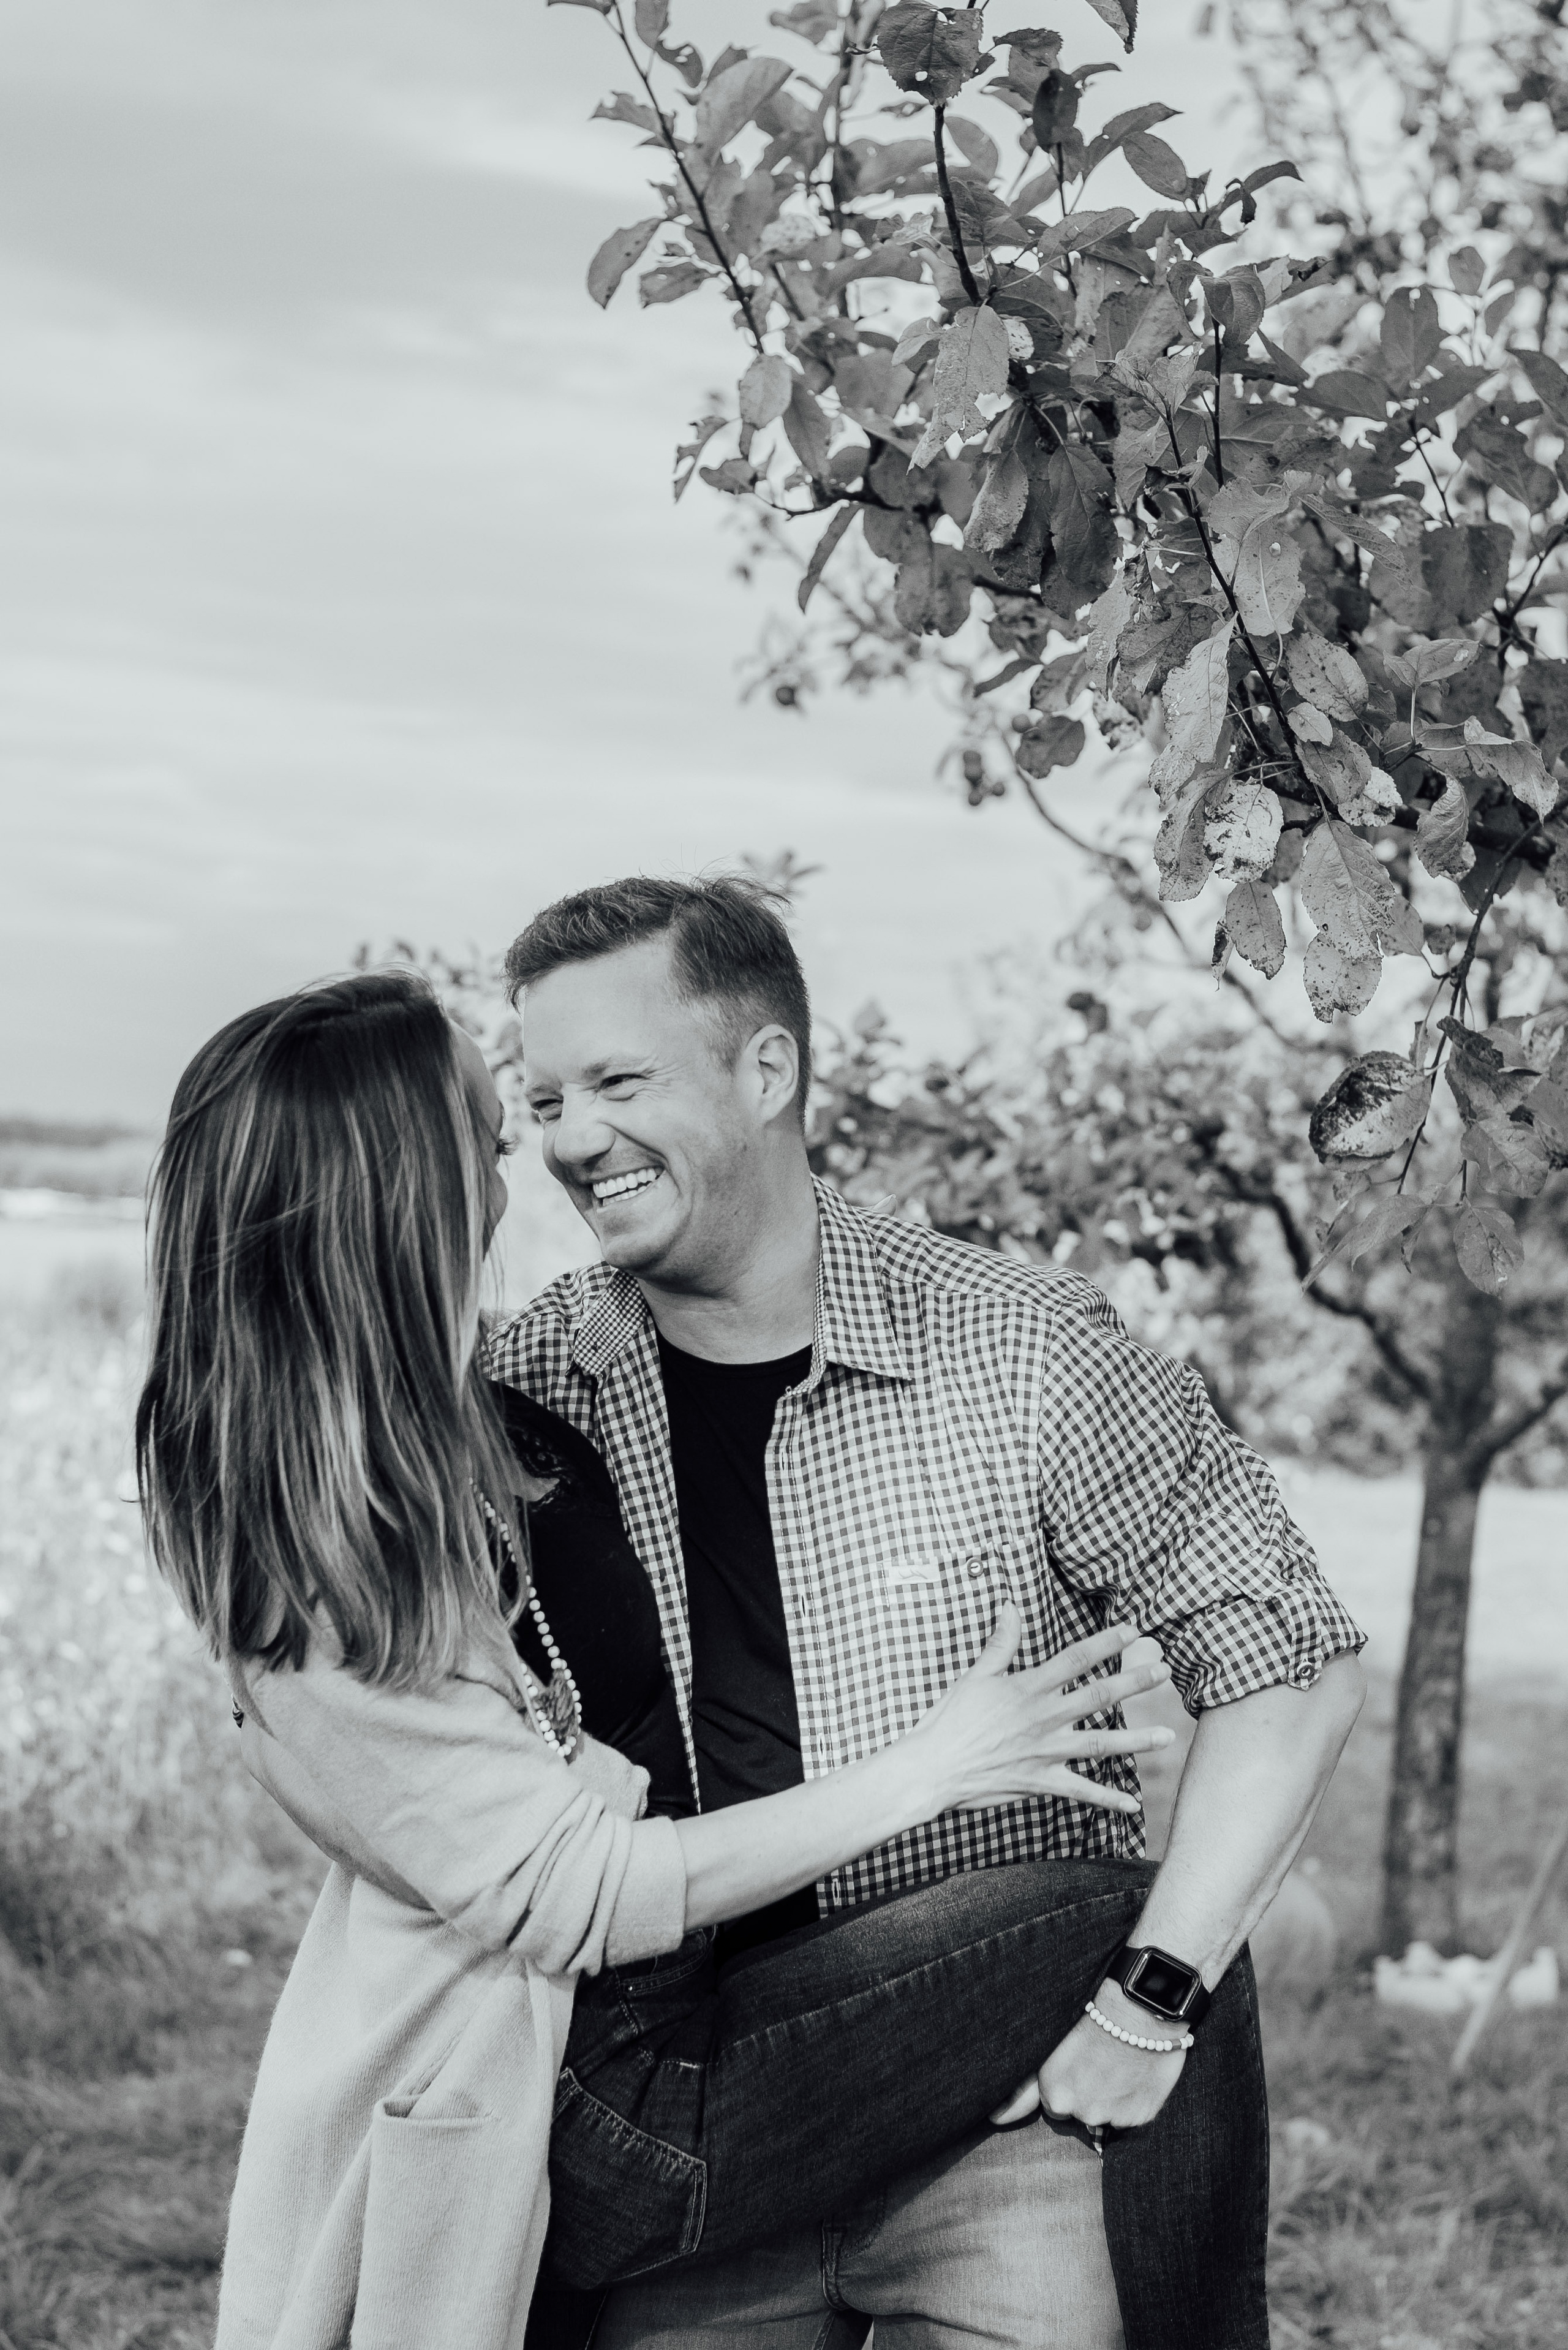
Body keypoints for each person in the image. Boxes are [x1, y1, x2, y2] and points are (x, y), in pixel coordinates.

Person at [137, 969, 1268, 2350]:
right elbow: (579, 1886)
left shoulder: (472, 1426)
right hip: (605, 2094)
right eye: (496, 1125)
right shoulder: (309, 1557)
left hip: (684, 2034)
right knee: (1131, 1917)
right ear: (397, 1183)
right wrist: (941, 1765)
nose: (525, 1158)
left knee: (1151, 1936)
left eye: (587, 1093)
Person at [492, 874, 1369, 2350]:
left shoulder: (1017, 1346)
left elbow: (1285, 1661)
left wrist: (1147, 2001)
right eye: (545, 1097)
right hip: (708, 2124)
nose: (573, 1137)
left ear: (765, 1070)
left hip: (1007, 2127)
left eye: (617, 1081)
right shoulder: (535, 1382)